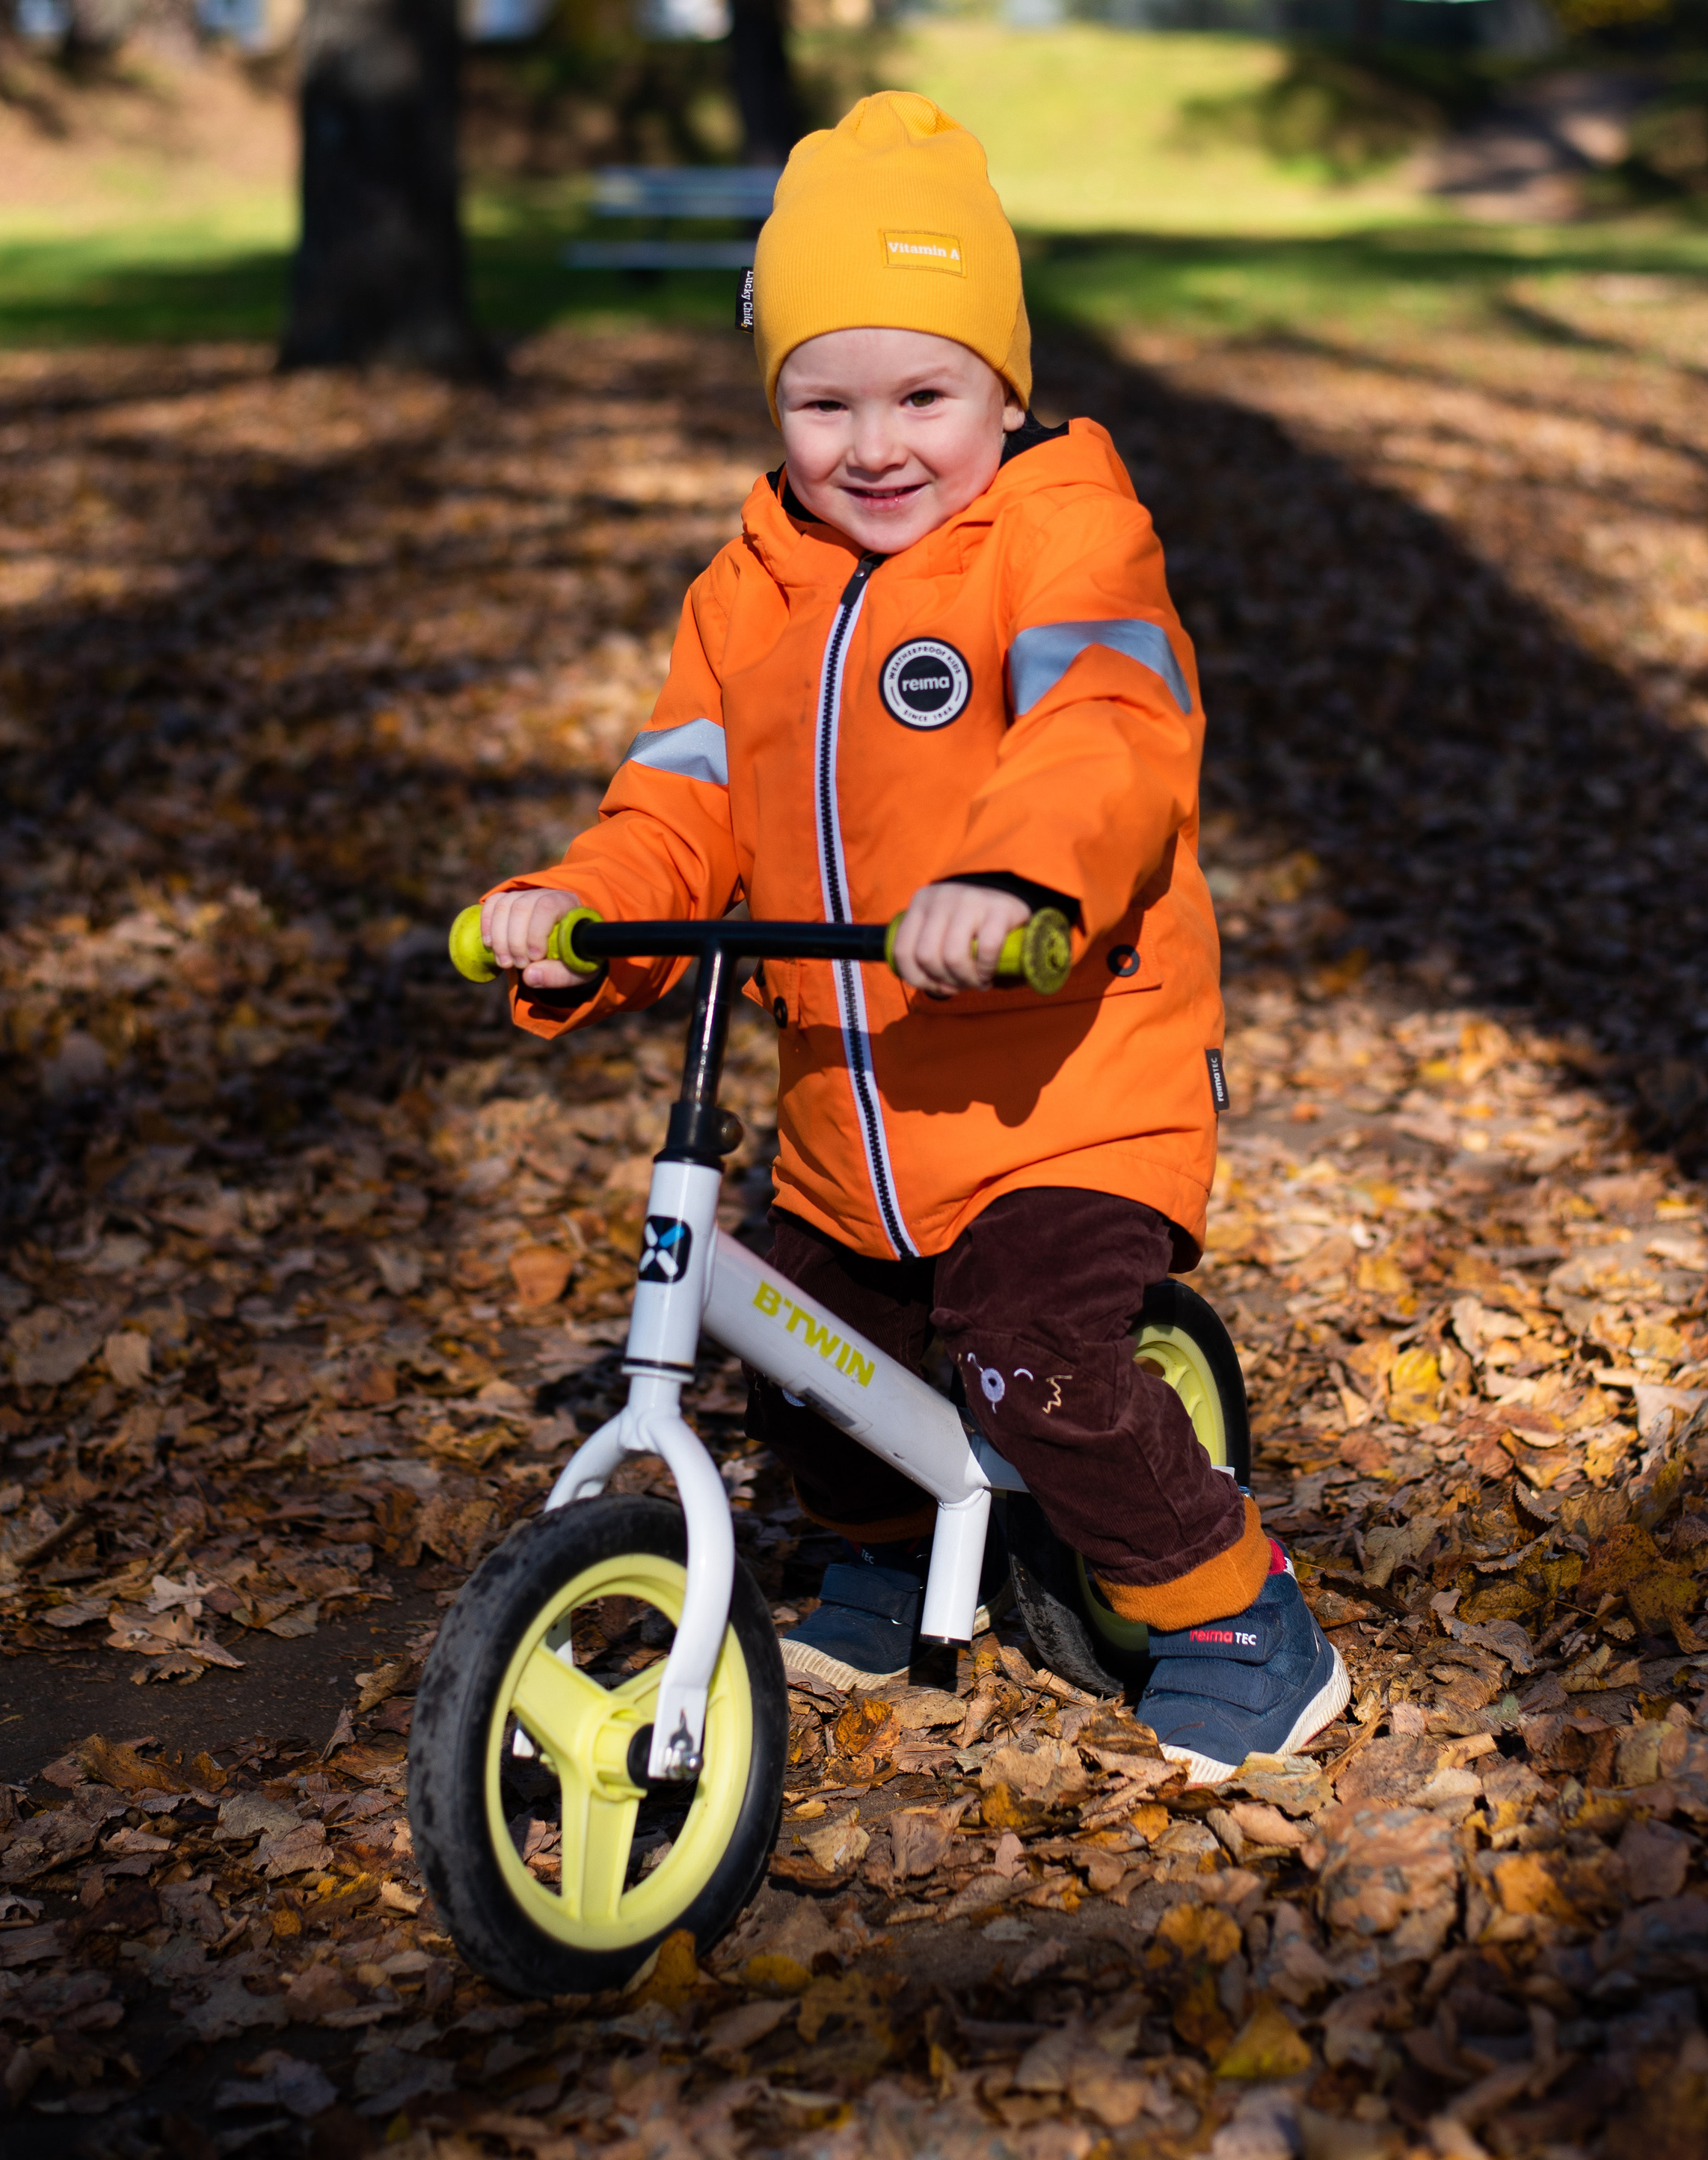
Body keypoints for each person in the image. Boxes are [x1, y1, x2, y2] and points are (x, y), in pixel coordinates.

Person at [481, 89, 1346, 1782]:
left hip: (1067, 1086)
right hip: (847, 1105)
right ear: (774, 403)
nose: (871, 445)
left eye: (921, 394)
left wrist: (1017, 883)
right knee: (789, 1344)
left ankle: (1237, 1612)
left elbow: (1106, 725)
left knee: (1022, 1349)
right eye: (822, 401)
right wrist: (593, 912)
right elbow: (681, 795)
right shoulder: (749, 587)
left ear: (1000, 387)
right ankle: (882, 1557)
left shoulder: (1061, 535)